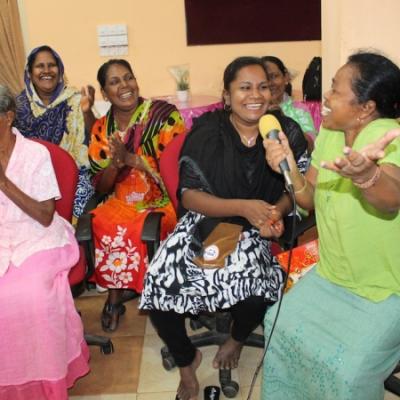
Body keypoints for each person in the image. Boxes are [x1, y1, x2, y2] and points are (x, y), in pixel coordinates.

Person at [139, 56, 309, 400]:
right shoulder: (207, 132)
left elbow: (296, 190)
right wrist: (243, 207)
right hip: (209, 222)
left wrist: (276, 210)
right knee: (159, 286)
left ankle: (236, 338)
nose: (255, 95)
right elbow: (189, 197)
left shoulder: (285, 131)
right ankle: (187, 364)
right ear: (227, 95)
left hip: (257, 229)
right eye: (244, 87)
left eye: (263, 86)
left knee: (254, 287)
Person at [262, 51, 400, 399]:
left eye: (336, 90)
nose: (326, 96)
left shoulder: (392, 138)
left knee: (347, 372)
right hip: (332, 275)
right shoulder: (332, 131)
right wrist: (289, 166)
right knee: (279, 325)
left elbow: (391, 198)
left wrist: (367, 175)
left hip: (386, 289)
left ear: (365, 107)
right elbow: (307, 198)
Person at [0, 85, 89, 399]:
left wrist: (3, 183)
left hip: (39, 236)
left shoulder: (35, 155)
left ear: (8, 117)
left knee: (31, 293)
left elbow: (45, 215)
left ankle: (45, 379)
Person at [88, 59, 186, 332]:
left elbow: (180, 168)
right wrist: (116, 164)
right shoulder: (101, 129)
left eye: (128, 77)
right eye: (114, 82)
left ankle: (144, 296)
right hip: (121, 201)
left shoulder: (163, 116)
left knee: (140, 227)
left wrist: (133, 159)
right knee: (102, 221)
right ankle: (115, 295)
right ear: (105, 92)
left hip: (162, 201)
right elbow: (101, 187)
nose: (124, 86)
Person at [14, 45, 95, 219]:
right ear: (29, 72)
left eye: (51, 65)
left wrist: (87, 111)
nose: (46, 71)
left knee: (83, 205)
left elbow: (95, 136)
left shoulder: (75, 99)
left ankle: (75, 245)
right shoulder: (17, 107)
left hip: (72, 174)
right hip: (29, 177)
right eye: (39, 66)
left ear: (59, 70)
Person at [261, 55, 317, 145]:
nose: (270, 83)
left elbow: (312, 147)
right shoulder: (252, 111)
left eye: (274, 76)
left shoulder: (299, 110)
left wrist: (284, 121)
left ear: (286, 77)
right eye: (264, 78)